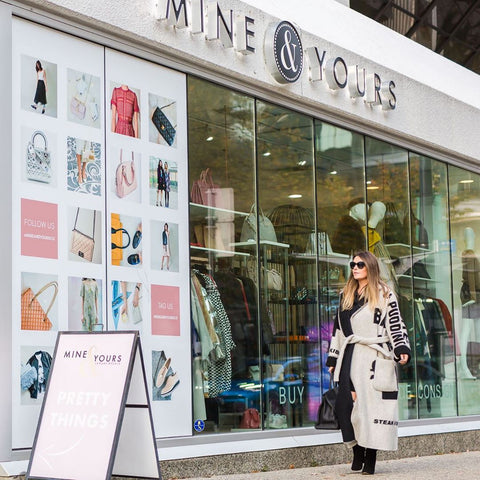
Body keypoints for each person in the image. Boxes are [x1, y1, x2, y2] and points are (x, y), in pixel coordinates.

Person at [326, 251, 411, 475]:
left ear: (370, 267)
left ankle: (370, 457)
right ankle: (356, 450)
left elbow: (395, 322)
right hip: (350, 354)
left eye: (360, 264)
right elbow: (338, 329)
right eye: (352, 264)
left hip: (375, 356)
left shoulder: (384, 293)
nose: (355, 268)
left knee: (370, 408)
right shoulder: (346, 293)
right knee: (345, 407)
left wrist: (401, 347)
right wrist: (333, 357)